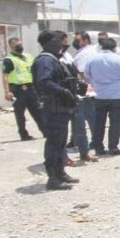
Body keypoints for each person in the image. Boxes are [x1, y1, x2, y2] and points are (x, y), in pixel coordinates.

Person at [32, 30, 79, 190]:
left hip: (61, 108)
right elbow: (44, 82)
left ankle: (60, 173)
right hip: (53, 108)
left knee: (61, 143)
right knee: (54, 143)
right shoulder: (45, 60)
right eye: (60, 40)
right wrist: (63, 92)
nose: (63, 44)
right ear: (50, 42)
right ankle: (53, 178)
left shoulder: (55, 59)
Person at [85, 37, 120, 156]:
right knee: (115, 123)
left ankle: (98, 148)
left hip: (100, 95)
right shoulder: (119, 59)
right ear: (114, 48)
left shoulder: (92, 59)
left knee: (99, 123)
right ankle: (113, 147)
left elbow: (87, 74)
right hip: (116, 95)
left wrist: (95, 82)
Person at [1, 36, 45, 141]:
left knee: (38, 111)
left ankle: (45, 131)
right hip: (17, 89)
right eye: (17, 45)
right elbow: (5, 76)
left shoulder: (28, 56)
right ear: (11, 47)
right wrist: (7, 91)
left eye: (20, 44)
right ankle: (23, 134)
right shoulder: (9, 60)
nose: (20, 46)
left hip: (31, 87)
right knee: (20, 113)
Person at [71, 32, 99, 163]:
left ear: (86, 40)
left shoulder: (85, 53)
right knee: (90, 115)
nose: (76, 42)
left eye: (78, 40)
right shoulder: (91, 51)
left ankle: (94, 141)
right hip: (93, 88)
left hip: (86, 89)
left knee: (88, 116)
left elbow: (82, 73)